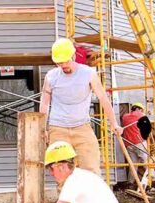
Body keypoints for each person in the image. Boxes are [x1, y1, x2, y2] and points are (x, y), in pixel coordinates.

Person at [40, 38, 123, 176]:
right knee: (61, 172)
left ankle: (90, 197)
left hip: (82, 128)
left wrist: (114, 123)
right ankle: (66, 198)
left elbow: (103, 98)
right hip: (58, 129)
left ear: (73, 56)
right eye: (60, 63)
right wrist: (42, 127)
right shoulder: (51, 77)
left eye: (66, 61)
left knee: (91, 170)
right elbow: (44, 102)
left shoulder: (88, 73)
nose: (64, 65)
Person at [121, 102, 153, 183]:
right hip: (139, 142)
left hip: (128, 144)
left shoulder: (125, 117)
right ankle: (153, 178)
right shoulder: (141, 115)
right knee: (146, 161)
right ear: (139, 109)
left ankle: (130, 182)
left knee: (133, 165)